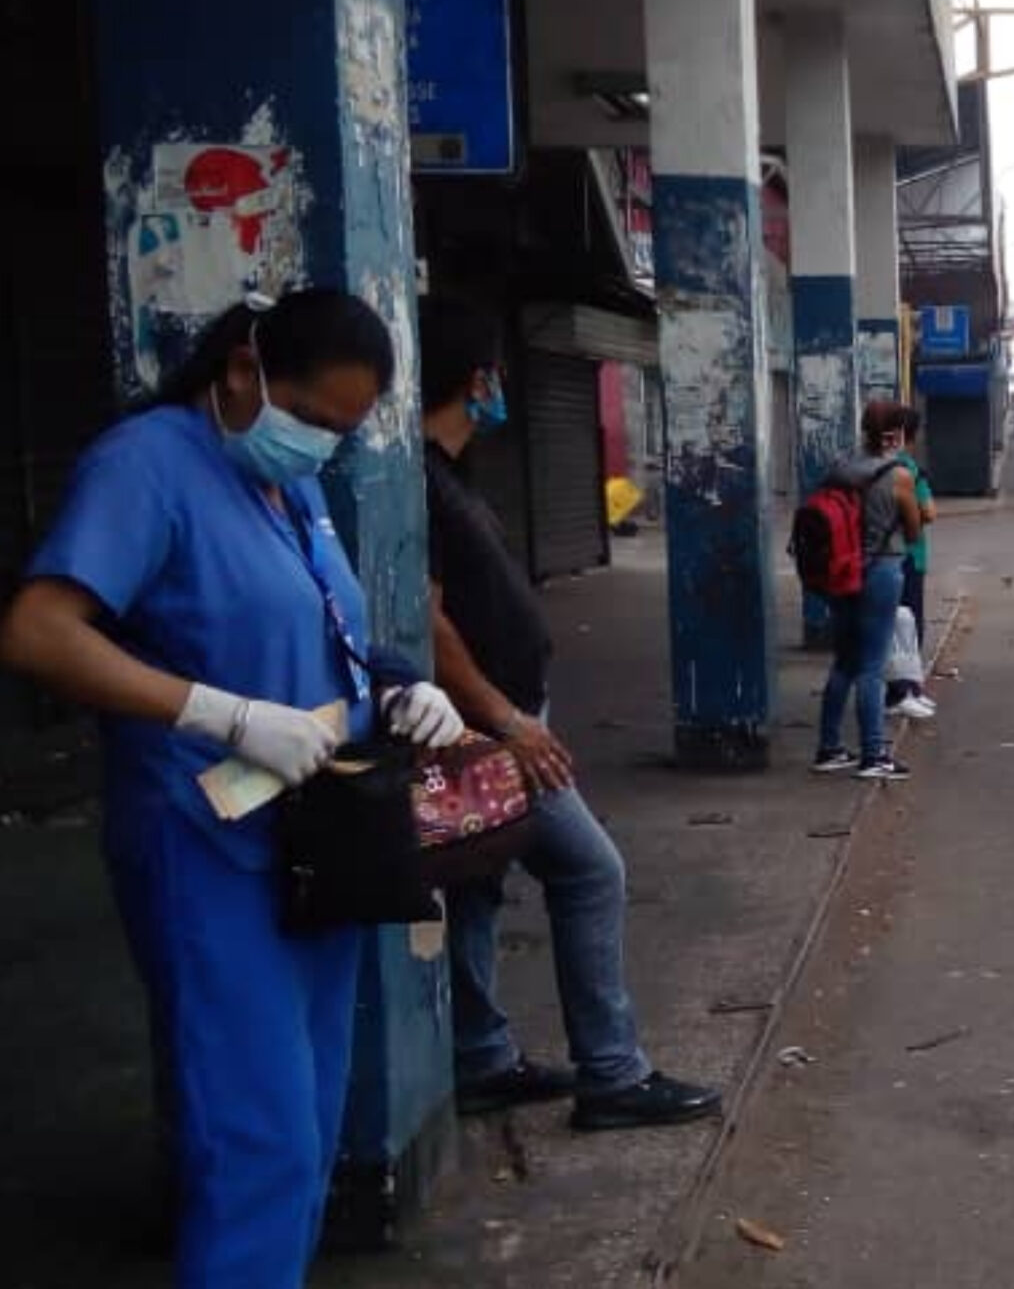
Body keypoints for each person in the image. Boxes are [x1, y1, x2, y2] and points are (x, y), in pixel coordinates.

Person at [0, 289, 465, 1288]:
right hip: (203, 840)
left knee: (311, 1126)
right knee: (258, 1143)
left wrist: (398, 684)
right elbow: (39, 633)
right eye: (315, 421)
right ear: (247, 374)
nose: (323, 447)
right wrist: (216, 711)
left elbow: (310, 631)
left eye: (344, 432)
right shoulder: (150, 466)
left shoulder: (283, 487)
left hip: (313, 839)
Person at [415, 299, 722, 1132]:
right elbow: (427, 619)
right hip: (487, 733)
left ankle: (479, 1058)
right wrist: (509, 720)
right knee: (591, 871)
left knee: (473, 886)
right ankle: (612, 1076)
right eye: (499, 378)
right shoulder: (418, 482)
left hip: (495, 719)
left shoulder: (446, 474)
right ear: (478, 381)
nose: (502, 391)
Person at [812, 401, 923, 779]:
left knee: (845, 660)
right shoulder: (899, 476)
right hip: (881, 571)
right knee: (873, 667)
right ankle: (873, 754)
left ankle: (828, 748)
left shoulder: (841, 468)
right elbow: (913, 532)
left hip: (840, 571)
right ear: (896, 434)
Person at [883, 404, 939, 722]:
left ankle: (909, 690)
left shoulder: (872, 465)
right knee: (908, 626)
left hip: (885, 556)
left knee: (899, 626)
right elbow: (928, 512)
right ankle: (902, 692)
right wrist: (911, 519)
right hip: (906, 556)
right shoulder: (907, 468)